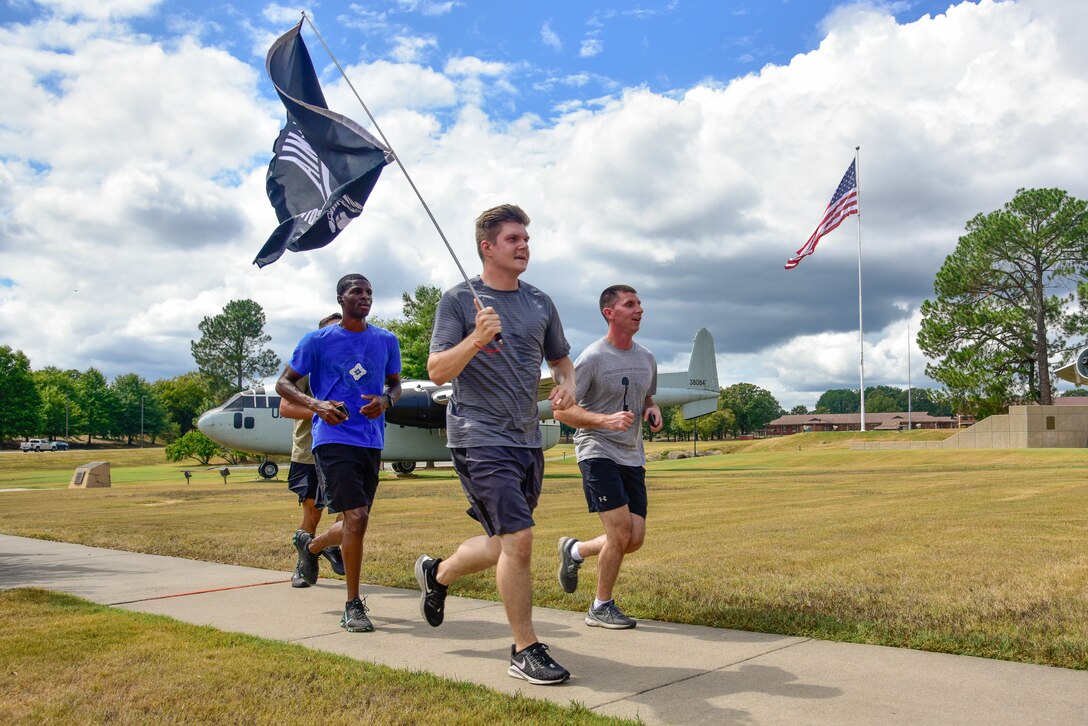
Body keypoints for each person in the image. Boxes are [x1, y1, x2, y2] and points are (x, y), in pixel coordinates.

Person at [415, 203, 576, 685]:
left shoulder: (541, 303)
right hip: (478, 437)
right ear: (487, 247)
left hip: (526, 438)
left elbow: (562, 361)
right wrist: (475, 340)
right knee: (521, 541)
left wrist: (566, 383)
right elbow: (438, 370)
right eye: (513, 239)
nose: (524, 246)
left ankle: (438, 573)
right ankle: (524, 649)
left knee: (503, 543)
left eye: (526, 238)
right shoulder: (460, 302)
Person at [276, 274, 402, 632]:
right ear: (340, 298)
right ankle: (353, 605)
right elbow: (283, 384)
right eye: (356, 292)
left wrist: (386, 400)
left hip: (371, 440)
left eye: (369, 292)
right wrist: (316, 404)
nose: (365, 297)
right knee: (358, 518)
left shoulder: (386, 340)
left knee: (352, 522)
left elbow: (395, 384)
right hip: (332, 439)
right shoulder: (317, 341)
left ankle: (312, 548)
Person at [552, 284, 662, 630]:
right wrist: (605, 421)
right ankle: (601, 606)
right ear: (609, 313)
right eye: (630, 304)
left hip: (632, 453)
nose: (639, 309)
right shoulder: (592, 359)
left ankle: (576, 551)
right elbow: (562, 413)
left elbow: (646, 397)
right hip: (596, 450)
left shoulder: (647, 358)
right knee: (618, 533)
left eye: (640, 303)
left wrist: (651, 409)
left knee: (634, 538)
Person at [280, 311, 345, 588]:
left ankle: (318, 546)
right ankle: (304, 565)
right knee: (313, 513)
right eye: (332, 332)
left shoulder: (355, 365)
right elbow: (285, 407)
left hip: (345, 449)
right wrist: (321, 409)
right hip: (309, 451)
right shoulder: (306, 366)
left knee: (349, 514)